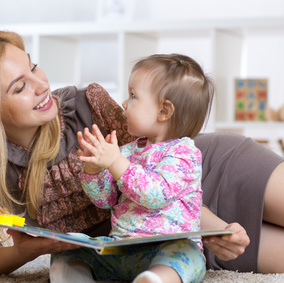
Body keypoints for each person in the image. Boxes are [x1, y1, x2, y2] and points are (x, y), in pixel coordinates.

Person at [0, 30, 284, 277]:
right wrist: (33, 250)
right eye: (20, 86)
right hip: (162, 243)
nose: (43, 85)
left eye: (34, 66)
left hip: (206, 179)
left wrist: (213, 227)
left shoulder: (83, 106)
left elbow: (153, 171)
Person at [50, 54, 214, 283]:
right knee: (70, 244)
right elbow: (106, 200)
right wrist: (94, 171)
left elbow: (155, 194)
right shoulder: (127, 151)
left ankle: (156, 279)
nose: (124, 103)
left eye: (133, 96)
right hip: (122, 248)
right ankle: (75, 275)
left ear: (164, 111)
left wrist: (116, 163)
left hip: (166, 248)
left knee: (188, 255)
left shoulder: (184, 153)